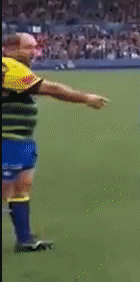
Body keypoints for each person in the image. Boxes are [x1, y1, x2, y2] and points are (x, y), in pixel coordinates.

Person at [2, 33, 109, 252]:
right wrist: (85, 98)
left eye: (35, 47)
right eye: (28, 48)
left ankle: (24, 240)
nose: (35, 52)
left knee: (22, 187)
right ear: (10, 49)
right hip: (7, 139)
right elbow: (51, 89)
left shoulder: (19, 69)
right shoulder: (7, 66)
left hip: (22, 139)